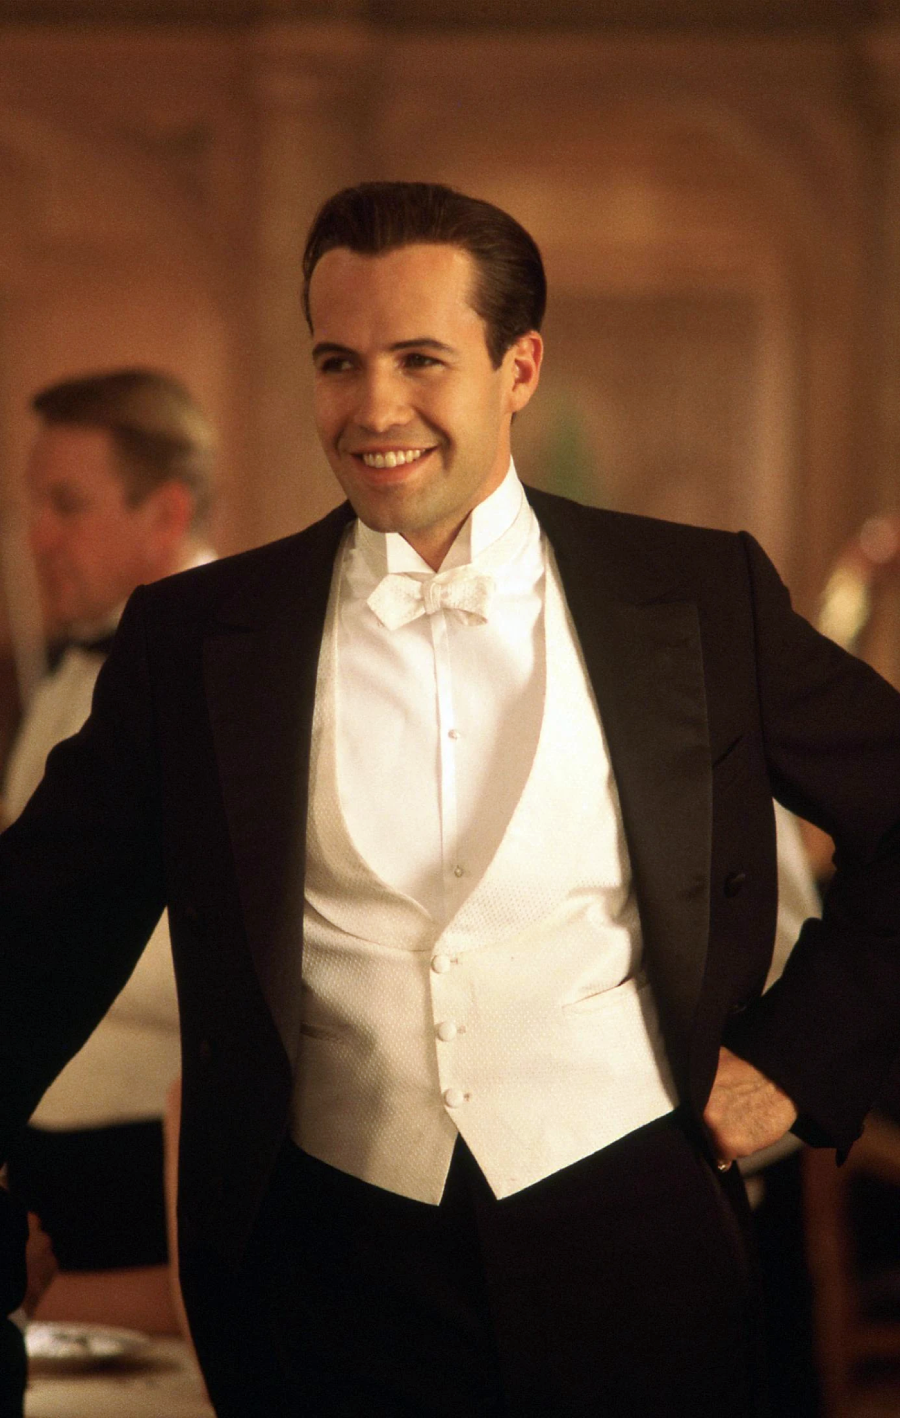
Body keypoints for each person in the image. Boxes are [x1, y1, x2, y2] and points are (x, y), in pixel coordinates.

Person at [0, 183, 898, 1417]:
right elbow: (36, 931)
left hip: (638, 1250)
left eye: (421, 358)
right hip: (318, 1271)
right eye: (338, 361)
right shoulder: (197, 636)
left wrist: (793, 1063)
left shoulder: (694, 597)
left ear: (519, 366)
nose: (374, 408)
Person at [1, 369, 215, 1333]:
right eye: (32, 506)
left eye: (67, 506)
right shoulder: (66, 672)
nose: (36, 536)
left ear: (165, 512)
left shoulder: (229, 675)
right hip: (43, 1153)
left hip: (152, 1174)